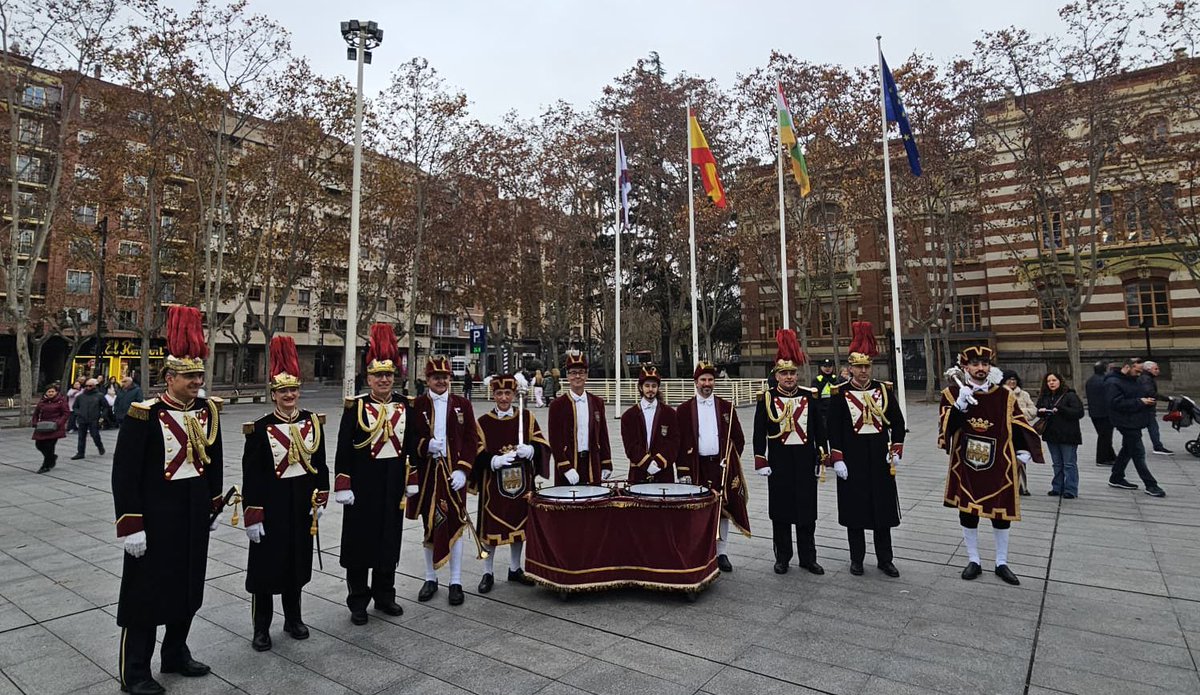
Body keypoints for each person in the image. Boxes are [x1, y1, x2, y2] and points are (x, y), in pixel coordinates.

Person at [112, 306, 224, 695]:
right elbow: (124, 474)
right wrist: (131, 524)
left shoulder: (208, 412)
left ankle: (175, 652)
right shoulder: (144, 415)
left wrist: (213, 505)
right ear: (169, 376)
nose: (198, 381)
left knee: (188, 587)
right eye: (190, 375)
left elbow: (214, 463)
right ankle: (135, 672)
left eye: (200, 374)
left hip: (192, 515)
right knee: (144, 595)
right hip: (155, 518)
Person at [241, 336, 329, 652]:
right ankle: (261, 628)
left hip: (300, 507)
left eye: (293, 390)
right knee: (265, 571)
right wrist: (253, 513)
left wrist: (321, 497)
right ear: (274, 394)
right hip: (271, 509)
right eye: (282, 391)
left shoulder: (311, 422)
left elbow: (319, 464)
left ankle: (293, 619)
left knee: (295, 565)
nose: (289, 395)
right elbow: (251, 475)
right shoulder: (260, 428)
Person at [939, 346, 1044, 586]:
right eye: (975, 364)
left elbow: (1018, 423)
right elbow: (946, 430)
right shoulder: (953, 393)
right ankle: (973, 559)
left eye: (985, 364)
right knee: (968, 512)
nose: (980, 369)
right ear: (965, 367)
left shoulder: (1005, 395)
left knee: (1000, 513)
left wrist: (1024, 451)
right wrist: (959, 407)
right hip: (966, 464)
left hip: (999, 463)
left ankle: (1001, 561)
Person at [334, 323, 417, 626]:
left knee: (388, 541)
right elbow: (343, 449)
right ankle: (358, 600)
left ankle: (385, 595)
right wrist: (343, 483)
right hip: (362, 486)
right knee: (359, 544)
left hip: (392, 484)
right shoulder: (355, 408)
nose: (384, 380)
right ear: (368, 378)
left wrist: (412, 480)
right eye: (378, 375)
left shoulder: (405, 406)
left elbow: (411, 447)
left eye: (389, 375)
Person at [826, 323, 905, 578]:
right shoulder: (840, 393)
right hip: (852, 459)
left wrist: (896, 449)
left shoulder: (883, 390)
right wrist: (837, 458)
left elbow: (898, 422)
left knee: (883, 510)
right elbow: (833, 429)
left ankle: (885, 559)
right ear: (850, 368)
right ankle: (856, 559)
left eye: (866, 366)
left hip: (880, 459)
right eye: (858, 367)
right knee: (855, 511)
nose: (862, 371)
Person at [408, 355, 480, 606]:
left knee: (456, 523)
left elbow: (473, 439)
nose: (441, 381)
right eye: (436, 377)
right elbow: (408, 440)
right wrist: (425, 445)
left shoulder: (463, 404)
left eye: (445, 377)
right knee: (429, 524)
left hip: (453, 475)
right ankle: (430, 578)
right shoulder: (416, 405)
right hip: (428, 474)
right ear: (427, 379)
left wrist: (463, 470)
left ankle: (456, 581)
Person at [752, 330, 824, 576]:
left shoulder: (809, 397)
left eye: (793, 373)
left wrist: (822, 455)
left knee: (807, 511)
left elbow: (819, 430)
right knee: (781, 511)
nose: (789, 377)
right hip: (780, 462)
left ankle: (808, 557)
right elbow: (758, 431)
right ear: (777, 376)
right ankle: (782, 557)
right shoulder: (767, 399)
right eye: (784, 373)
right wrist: (760, 459)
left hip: (804, 461)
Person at [473, 373, 546, 593]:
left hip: (521, 484)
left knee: (519, 526)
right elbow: (475, 451)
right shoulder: (483, 422)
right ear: (493, 394)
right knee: (492, 529)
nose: (504, 398)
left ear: (514, 394)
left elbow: (541, 442)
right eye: (499, 393)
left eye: (507, 393)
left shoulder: (527, 417)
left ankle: (515, 568)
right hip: (494, 485)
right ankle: (488, 571)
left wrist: (532, 450)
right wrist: (493, 460)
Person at [677, 361, 750, 573]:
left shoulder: (727, 407)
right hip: (696, 466)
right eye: (703, 380)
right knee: (698, 509)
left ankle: (721, 552)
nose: (706, 384)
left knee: (723, 510)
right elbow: (679, 443)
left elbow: (738, 438)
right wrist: (683, 472)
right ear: (696, 382)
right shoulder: (683, 410)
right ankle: (700, 551)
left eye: (710, 380)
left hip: (720, 466)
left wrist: (731, 460)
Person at [547, 351, 613, 485]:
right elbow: (555, 440)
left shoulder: (597, 402)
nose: (577, 376)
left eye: (581, 372)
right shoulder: (557, 405)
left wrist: (606, 463)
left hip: (591, 461)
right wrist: (565, 467)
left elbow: (603, 435)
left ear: (586, 375)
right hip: (569, 462)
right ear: (567, 376)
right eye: (573, 372)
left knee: (593, 502)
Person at [1106, 358, 1165, 497]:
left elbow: (1135, 394)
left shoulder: (1131, 380)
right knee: (1138, 452)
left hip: (1134, 420)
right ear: (1127, 367)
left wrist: (1144, 400)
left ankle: (1116, 477)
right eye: (1137, 371)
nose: (1139, 374)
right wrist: (1140, 401)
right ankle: (1151, 484)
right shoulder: (1113, 382)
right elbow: (1115, 403)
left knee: (1127, 449)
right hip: (1125, 422)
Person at [619, 364, 679, 484]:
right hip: (638, 471)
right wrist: (647, 463)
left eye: (654, 386)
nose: (650, 389)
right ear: (640, 388)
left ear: (658, 388)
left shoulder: (670, 413)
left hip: (663, 472)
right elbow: (630, 445)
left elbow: (674, 442)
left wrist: (658, 462)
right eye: (647, 386)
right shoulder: (628, 416)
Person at [1036, 372, 1084, 499]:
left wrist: (1061, 409)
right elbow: (1038, 409)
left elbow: (1079, 412)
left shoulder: (1070, 395)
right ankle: (1057, 487)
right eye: (1048, 381)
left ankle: (1071, 489)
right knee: (1057, 463)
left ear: (1060, 381)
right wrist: (1041, 411)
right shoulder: (1045, 396)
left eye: (1054, 380)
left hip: (1068, 435)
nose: (1051, 383)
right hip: (1052, 434)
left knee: (1069, 464)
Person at [1001, 370, 1035, 496]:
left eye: (1014, 379)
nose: (1012, 381)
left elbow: (1033, 411)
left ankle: (1022, 487)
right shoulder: (1000, 394)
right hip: (1004, 431)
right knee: (1005, 459)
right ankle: (1007, 485)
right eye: (1009, 379)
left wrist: (1018, 413)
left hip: (1021, 431)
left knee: (1021, 458)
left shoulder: (1024, 394)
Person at [1084, 361, 1117, 467]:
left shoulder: (1090, 380)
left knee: (1103, 435)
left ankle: (1111, 456)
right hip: (1105, 413)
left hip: (1094, 412)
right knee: (1105, 436)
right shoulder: (1105, 380)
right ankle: (1102, 458)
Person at [32, 383, 69, 474]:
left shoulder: (61, 401)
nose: (51, 393)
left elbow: (66, 413)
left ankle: (46, 465)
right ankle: (52, 457)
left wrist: (59, 423)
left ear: (56, 392)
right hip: (42, 426)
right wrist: (35, 422)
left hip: (54, 427)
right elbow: (36, 413)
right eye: (49, 392)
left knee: (49, 446)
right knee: (39, 445)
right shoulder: (42, 401)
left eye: (52, 391)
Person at [1140, 361, 1172, 455]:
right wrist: (1167, 398)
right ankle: (1157, 447)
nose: (1158, 371)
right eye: (1156, 369)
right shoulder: (1146, 379)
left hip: (1146, 407)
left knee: (1151, 427)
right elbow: (1150, 392)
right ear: (1148, 369)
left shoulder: (1147, 377)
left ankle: (1157, 446)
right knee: (1153, 427)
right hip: (1146, 407)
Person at [71, 377, 105, 460]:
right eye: (86, 386)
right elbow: (75, 407)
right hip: (82, 419)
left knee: (95, 435)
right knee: (81, 436)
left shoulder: (99, 396)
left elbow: (105, 407)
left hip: (94, 418)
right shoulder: (80, 396)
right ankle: (80, 453)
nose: (87, 387)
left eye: (90, 386)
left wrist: (102, 416)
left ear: (94, 386)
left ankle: (100, 446)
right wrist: (79, 413)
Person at [811, 358, 838, 433]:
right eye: (825, 366)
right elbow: (814, 397)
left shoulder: (836, 379)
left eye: (829, 366)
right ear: (821, 367)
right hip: (822, 411)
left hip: (835, 410)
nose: (827, 368)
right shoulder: (817, 380)